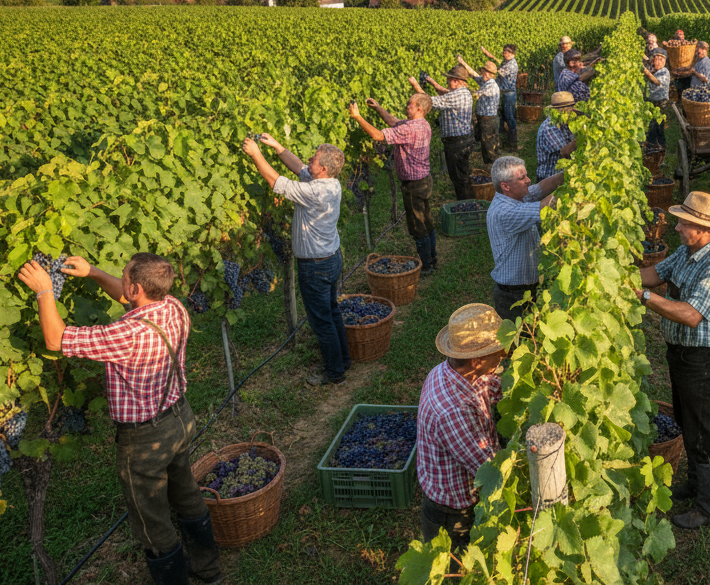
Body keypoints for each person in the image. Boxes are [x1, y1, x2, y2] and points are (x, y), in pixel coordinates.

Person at [17, 253, 223, 585]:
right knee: (186, 495)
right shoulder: (172, 307)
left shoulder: (125, 335)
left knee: (152, 522)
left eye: (124, 276)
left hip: (145, 442)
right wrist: (94, 273)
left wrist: (44, 290)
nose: (121, 279)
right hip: (180, 419)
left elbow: (56, 339)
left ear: (137, 287)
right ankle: (209, 570)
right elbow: (127, 297)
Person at [636, 191, 710, 531]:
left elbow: (691, 315)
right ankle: (695, 485)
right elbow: (653, 274)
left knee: (700, 431)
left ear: (705, 229)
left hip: (701, 360)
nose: (676, 227)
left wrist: (646, 298)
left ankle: (709, 507)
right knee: (684, 418)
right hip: (679, 354)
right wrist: (619, 279)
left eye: (683, 223)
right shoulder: (686, 252)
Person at [243, 135, 348, 387]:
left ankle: (335, 372)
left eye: (314, 158)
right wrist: (278, 147)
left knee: (321, 321)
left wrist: (256, 153)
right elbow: (300, 168)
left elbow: (276, 182)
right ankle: (343, 361)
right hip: (331, 259)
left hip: (316, 267)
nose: (309, 159)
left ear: (322, 168)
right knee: (332, 312)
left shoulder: (314, 192)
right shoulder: (331, 183)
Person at [417, 303, 507, 556]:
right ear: (477, 361)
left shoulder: (450, 371)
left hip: (453, 492)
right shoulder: (453, 412)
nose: (502, 357)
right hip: (453, 511)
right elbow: (488, 470)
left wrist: (516, 388)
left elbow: (488, 385)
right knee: (456, 569)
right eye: (497, 353)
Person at [348, 94, 438, 275]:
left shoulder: (409, 129)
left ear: (419, 109)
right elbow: (394, 122)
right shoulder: (423, 124)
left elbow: (377, 135)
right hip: (424, 180)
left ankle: (427, 267)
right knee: (426, 221)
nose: (407, 106)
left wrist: (357, 117)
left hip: (413, 185)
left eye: (410, 104)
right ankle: (433, 259)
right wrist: (378, 107)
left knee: (417, 225)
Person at [486, 156, 564, 322]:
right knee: (521, 343)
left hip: (526, 289)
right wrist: (574, 186)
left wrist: (565, 175)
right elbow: (545, 207)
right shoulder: (504, 212)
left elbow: (541, 188)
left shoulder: (515, 197)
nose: (528, 181)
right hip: (514, 296)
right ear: (505, 186)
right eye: (522, 178)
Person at [409, 65, 475, 201]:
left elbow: (429, 102)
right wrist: (430, 80)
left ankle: (466, 208)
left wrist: (415, 84)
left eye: (449, 80)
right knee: (463, 175)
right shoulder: (464, 92)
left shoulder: (456, 95)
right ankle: (469, 203)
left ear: (457, 81)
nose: (447, 82)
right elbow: (444, 93)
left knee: (459, 179)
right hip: (463, 140)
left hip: (456, 143)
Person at [457, 54, 501, 164]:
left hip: (488, 120)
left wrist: (462, 88)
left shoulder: (490, 85)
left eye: (484, 72)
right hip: (489, 119)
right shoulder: (486, 81)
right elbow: (474, 75)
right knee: (492, 142)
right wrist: (463, 63)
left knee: (488, 145)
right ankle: (497, 163)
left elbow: (475, 95)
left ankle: (491, 167)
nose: (482, 73)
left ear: (490, 74)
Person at [480, 44, 518, 150]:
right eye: (504, 50)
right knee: (503, 117)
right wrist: (490, 56)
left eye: (508, 51)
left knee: (509, 118)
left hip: (509, 94)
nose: (505, 52)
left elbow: (495, 71)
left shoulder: (512, 65)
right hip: (504, 93)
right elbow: (497, 63)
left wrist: (487, 59)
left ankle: (513, 144)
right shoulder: (506, 62)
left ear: (512, 53)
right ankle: (502, 141)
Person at [536, 92, 577, 182]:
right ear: (563, 110)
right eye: (571, 107)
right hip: (549, 180)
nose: (573, 110)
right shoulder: (549, 128)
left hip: (561, 176)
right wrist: (583, 135)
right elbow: (565, 152)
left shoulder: (564, 123)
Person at [643, 48, 670, 149]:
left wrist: (645, 71)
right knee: (651, 127)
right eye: (656, 59)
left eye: (661, 59)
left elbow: (657, 82)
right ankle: (652, 147)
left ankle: (661, 148)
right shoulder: (653, 70)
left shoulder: (664, 72)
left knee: (658, 126)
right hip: (651, 101)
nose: (658, 62)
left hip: (660, 103)